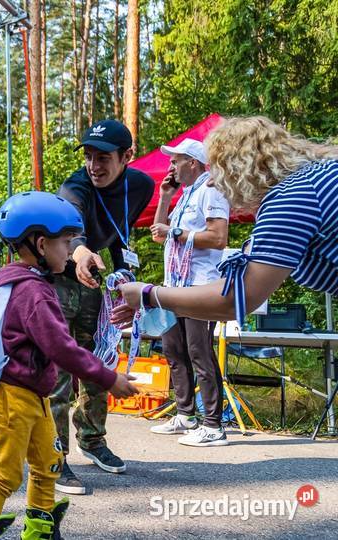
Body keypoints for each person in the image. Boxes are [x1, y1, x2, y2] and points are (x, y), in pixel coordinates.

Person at [0, 192, 138, 540]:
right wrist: (108, 377)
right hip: (11, 398)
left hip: (34, 395)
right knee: (7, 473)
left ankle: (40, 528)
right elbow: (62, 348)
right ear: (41, 244)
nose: (70, 251)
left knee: (48, 463)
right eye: (66, 243)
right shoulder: (33, 292)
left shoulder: (23, 283)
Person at [113, 116, 338, 330]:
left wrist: (150, 295)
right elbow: (240, 278)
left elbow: (237, 299)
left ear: (240, 168)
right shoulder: (308, 181)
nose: (211, 182)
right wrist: (157, 304)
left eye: (217, 171)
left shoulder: (291, 200)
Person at [50, 119, 154, 494]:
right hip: (61, 278)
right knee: (60, 368)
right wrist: (79, 252)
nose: (94, 165)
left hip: (98, 282)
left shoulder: (141, 185)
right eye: (89, 156)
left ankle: (92, 440)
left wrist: (125, 276)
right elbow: (73, 229)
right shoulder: (74, 187)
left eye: (103, 158)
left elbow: (119, 231)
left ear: (127, 156)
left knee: (97, 362)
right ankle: (53, 455)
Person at [147, 139, 230, 447]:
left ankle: (213, 425)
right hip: (175, 283)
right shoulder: (184, 195)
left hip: (200, 285)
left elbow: (219, 238)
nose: (171, 167)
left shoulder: (211, 189)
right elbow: (161, 236)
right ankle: (186, 415)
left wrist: (178, 232)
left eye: (176, 161)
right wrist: (164, 199)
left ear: (193, 163)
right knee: (174, 350)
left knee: (199, 351)